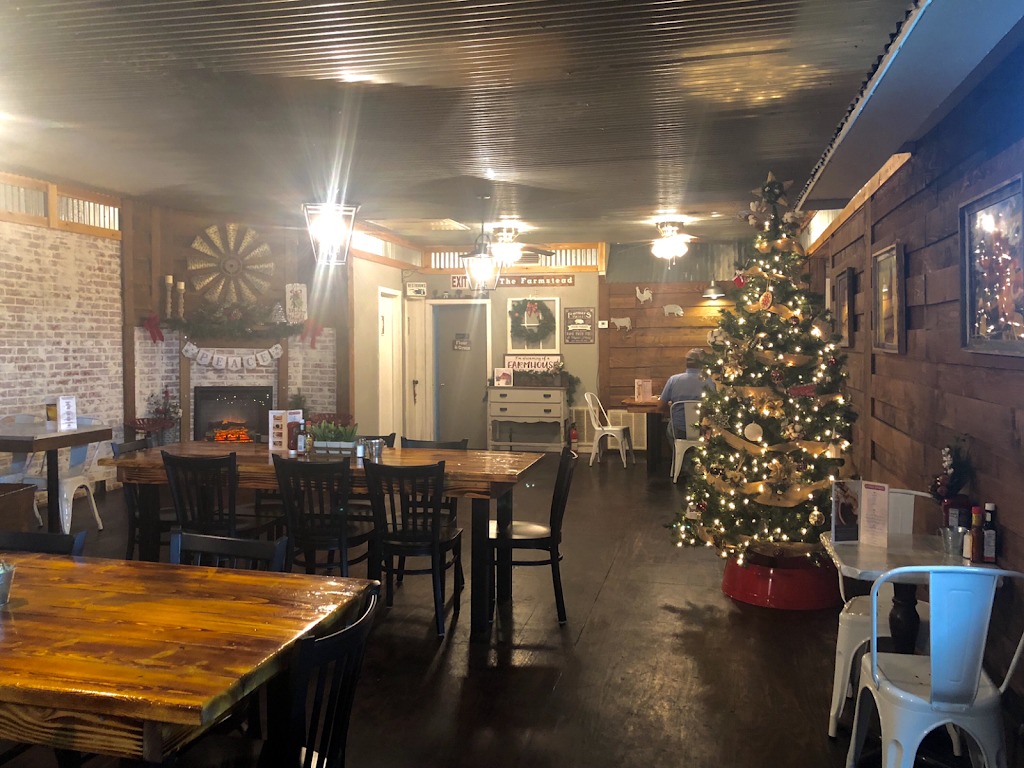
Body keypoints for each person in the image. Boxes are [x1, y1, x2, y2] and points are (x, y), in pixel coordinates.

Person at [657, 348, 716, 439]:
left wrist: (673, 412)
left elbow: (660, 407)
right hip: (702, 431)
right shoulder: (711, 381)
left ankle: (677, 448)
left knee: (670, 428)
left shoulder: (673, 380)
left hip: (679, 432)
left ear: (686, 363)